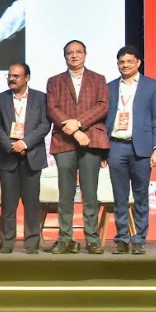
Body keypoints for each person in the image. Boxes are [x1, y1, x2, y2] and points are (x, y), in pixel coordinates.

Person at [46, 40, 109, 254]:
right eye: (70, 53)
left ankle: (92, 239)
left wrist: (79, 123)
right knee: (66, 193)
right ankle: (65, 238)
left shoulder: (98, 79)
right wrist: (74, 131)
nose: (74, 55)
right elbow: (52, 109)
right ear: (65, 56)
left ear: (85, 54)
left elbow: (102, 106)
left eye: (78, 52)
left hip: (92, 141)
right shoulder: (54, 81)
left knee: (90, 193)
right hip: (64, 141)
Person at [105, 45, 156, 255]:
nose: (125, 65)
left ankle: (139, 239)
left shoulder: (152, 86)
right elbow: (103, 120)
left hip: (142, 147)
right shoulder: (110, 87)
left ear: (138, 63)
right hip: (116, 146)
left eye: (130, 61)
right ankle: (122, 238)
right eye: (121, 62)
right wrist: (103, 149)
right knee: (119, 196)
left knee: (141, 195)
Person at [0, 62, 51, 254]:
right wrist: (11, 145)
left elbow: (44, 125)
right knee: (8, 204)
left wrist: (25, 143)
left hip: (31, 156)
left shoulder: (41, 98)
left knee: (32, 203)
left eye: (16, 76)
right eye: (9, 76)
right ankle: (7, 242)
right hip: (8, 157)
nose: (11, 79)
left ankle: (32, 243)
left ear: (27, 78)